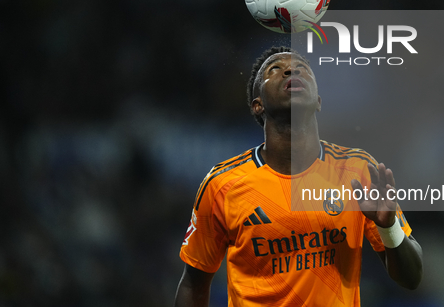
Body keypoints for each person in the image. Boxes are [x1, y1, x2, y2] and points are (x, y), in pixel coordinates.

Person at [174, 46, 423, 307]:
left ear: (318, 100)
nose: (292, 70)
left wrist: (389, 228)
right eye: (275, 70)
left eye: (303, 69)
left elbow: (412, 279)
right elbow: (193, 283)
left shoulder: (358, 170)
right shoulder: (222, 185)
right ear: (257, 105)